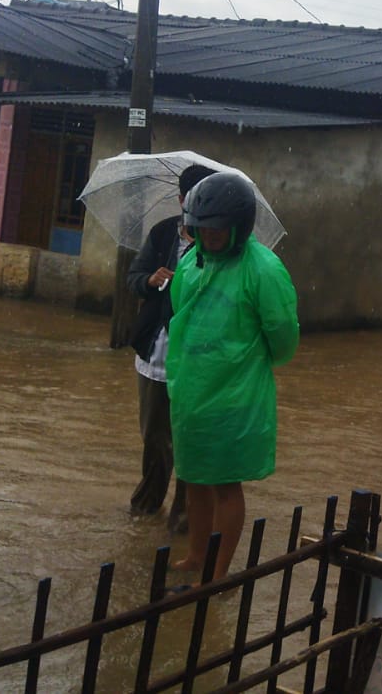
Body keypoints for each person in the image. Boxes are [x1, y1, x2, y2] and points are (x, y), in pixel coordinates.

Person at [166, 172, 298, 579]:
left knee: (225, 485)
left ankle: (219, 572)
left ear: (239, 227)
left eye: (217, 230)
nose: (209, 237)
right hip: (191, 390)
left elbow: (283, 336)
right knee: (193, 480)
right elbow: (180, 311)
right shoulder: (193, 260)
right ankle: (196, 557)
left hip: (234, 396)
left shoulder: (263, 269)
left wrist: (242, 365)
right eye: (201, 230)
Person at [126, 164, 217, 533]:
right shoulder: (163, 233)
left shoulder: (217, 244)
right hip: (156, 353)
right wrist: (150, 279)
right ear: (181, 201)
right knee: (155, 438)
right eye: (194, 201)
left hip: (196, 359)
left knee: (191, 441)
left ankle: (183, 520)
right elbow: (133, 277)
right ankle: (146, 506)